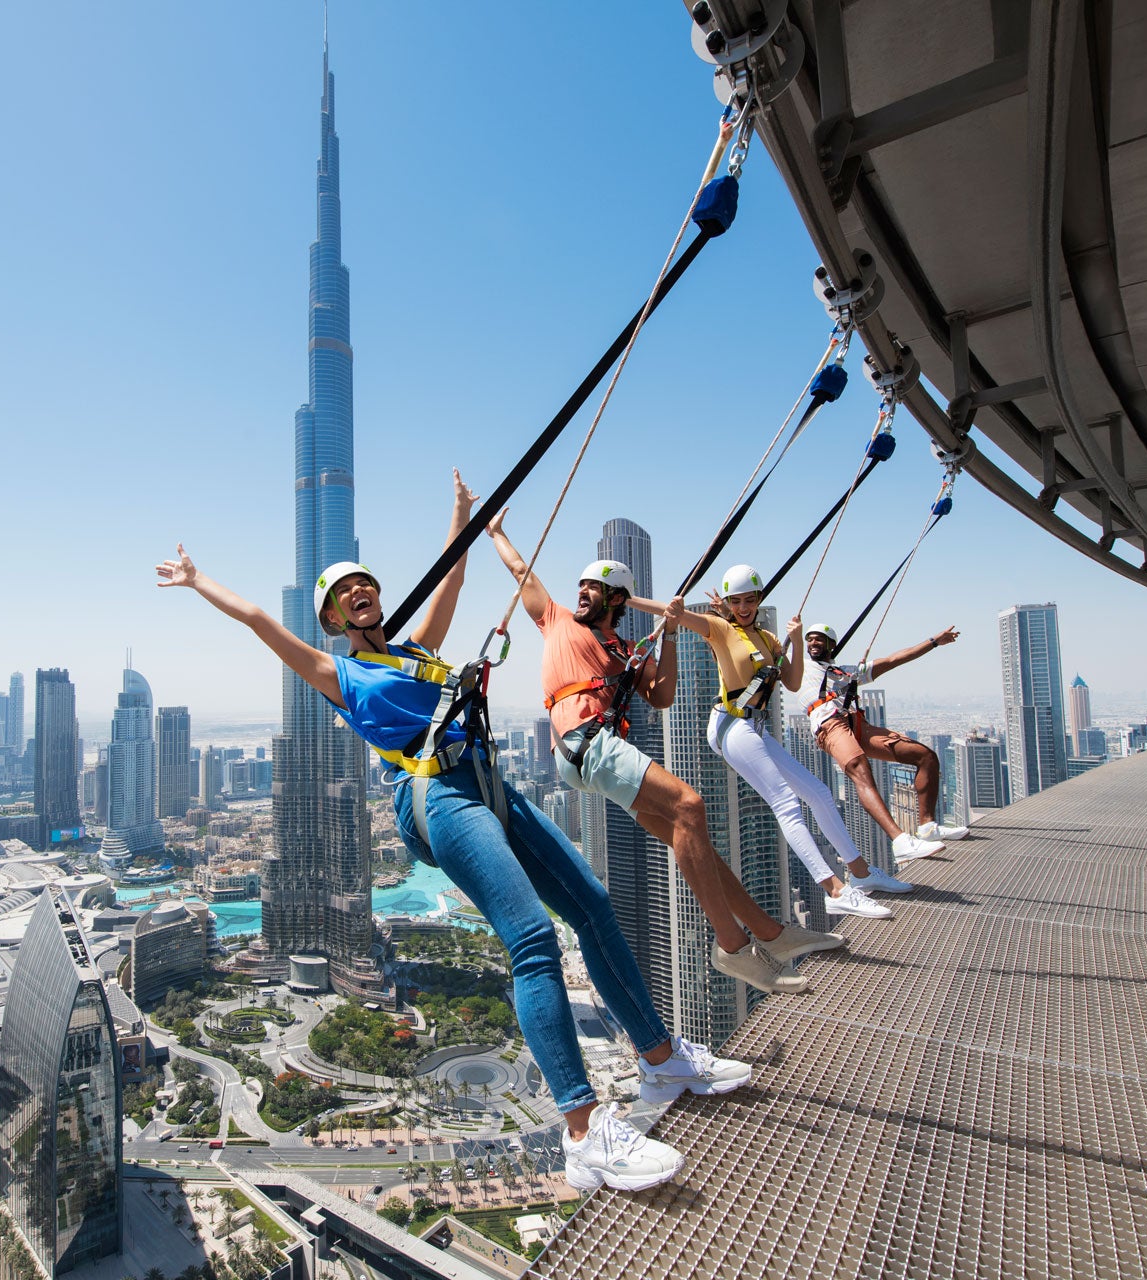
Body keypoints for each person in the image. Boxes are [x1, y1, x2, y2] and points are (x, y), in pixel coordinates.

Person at [155, 472, 746, 1195]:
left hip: (487, 780)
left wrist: (463, 515)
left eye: (365, 583)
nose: (359, 592)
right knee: (530, 936)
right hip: (433, 792)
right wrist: (197, 579)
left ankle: (660, 1061)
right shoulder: (338, 671)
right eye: (344, 594)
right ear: (334, 620)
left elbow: (452, 583)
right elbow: (256, 619)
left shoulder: (413, 649)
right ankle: (584, 1134)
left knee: (590, 903)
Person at [484, 511, 844, 996]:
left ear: (616, 599)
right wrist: (498, 533)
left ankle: (771, 934)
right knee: (690, 806)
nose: (581, 593)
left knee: (691, 839)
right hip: (586, 744)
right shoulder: (558, 621)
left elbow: (662, 695)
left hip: (594, 753)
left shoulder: (626, 649)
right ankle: (733, 946)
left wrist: (669, 633)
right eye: (581, 587)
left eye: (592, 588)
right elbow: (521, 574)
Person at [623, 564, 914, 920]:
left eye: (750, 599)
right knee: (786, 803)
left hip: (755, 728)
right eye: (737, 601)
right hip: (731, 725)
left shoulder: (769, 639)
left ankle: (863, 874)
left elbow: (791, 683)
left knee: (819, 793)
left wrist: (795, 638)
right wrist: (626, 598)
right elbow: (677, 614)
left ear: (759, 599)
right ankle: (834, 890)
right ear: (728, 604)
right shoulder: (720, 628)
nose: (744, 607)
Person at [798, 620, 970, 858]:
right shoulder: (801, 668)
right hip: (830, 726)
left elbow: (893, 660)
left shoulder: (848, 672)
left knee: (926, 756)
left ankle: (927, 827)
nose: (812, 642)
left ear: (831, 645)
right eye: (809, 639)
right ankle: (900, 842)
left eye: (818, 638)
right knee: (860, 767)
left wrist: (934, 643)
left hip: (858, 725)